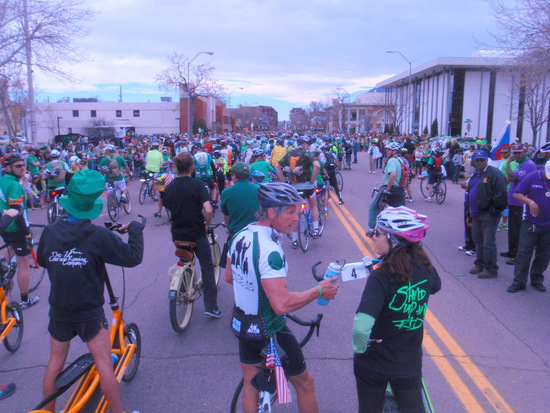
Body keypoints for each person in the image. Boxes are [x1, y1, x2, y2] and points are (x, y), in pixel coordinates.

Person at [224, 182, 339, 413]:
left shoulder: (240, 235)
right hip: (270, 329)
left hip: (244, 324)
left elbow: (229, 276)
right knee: (305, 383)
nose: (297, 218)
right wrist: (319, 291)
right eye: (290, 212)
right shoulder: (270, 250)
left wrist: (254, 289)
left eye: (297, 211)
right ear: (271, 212)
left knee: (250, 383)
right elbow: (281, 305)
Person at [36, 170, 144, 413]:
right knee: (104, 364)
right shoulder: (98, 235)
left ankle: (47, 410)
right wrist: (136, 230)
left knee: (54, 364)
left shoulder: (51, 230)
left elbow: (43, 260)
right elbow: (132, 257)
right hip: (89, 311)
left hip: (60, 309)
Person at [354, 206, 440, 413]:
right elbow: (436, 286)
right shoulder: (425, 267)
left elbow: (361, 328)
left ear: (393, 239)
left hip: (375, 362)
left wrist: (360, 349)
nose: (373, 236)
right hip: (408, 359)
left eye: (378, 233)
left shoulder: (381, 277)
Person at [162, 152, 221, 318]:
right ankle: (211, 306)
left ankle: (183, 289)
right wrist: (207, 224)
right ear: (192, 167)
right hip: (196, 232)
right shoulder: (198, 185)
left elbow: (167, 205)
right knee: (208, 267)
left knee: (184, 259)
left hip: (178, 233)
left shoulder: (171, 186)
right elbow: (208, 209)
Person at [0, 154, 38, 309]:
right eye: (18, 166)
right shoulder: (15, 186)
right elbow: (17, 213)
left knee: (9, 249)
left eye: (23, 165)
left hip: (4, 225)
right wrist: (27, 234)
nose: (23, 168)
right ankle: (24, 300)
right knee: (23, 262)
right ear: (8, 168)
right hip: (16, 227)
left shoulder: (3, 181)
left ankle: (4, 272)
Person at [506, 160, 550, 293]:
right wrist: (530, 202)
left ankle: (537, 279)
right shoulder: (533, 176)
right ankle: (519, 281)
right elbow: (517, 193)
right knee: (524, 252)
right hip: (530, 222)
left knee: (544, 254)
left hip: (548, 225)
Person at [463, 150, 507, 279]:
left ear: (487, 160)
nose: (480, 162)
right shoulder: (476, 174)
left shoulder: (495, 174)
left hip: (489, 214)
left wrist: (493, 210)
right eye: (477, 160)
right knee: (477, 240)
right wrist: (469, 215)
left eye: (482, 160)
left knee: (488, 242)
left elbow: (501, 195)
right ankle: (480, 263)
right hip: (476, 213)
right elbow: (470, 193)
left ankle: (491, 269)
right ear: (474, 162)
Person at [276, 137, 322, 247]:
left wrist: (283, 181)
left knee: (295, 213)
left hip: (293, 188)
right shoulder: (308, 154)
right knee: (313, 205)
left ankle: (295, 240)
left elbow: (277, 166)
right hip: (307, 186)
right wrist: (312, 180)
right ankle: (315, 230)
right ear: (305, 144)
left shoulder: (290, 153)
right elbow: (317, 166)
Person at [501, 143, 536, 266]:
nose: (516, 155)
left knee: (517, 230)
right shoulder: (521, 164)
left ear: (525, 152)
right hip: (514, 202)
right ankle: (512, 251)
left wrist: (508, 164)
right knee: (512, 228)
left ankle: (516, 255)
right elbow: (511, 178)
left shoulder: (529, 165)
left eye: (519, 153)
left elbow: (513, 177)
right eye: (514, 153)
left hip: (520, 203)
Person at [382, 142, 406, 207]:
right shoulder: (401, 160)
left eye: (389, 149)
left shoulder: (392, 160)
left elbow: (393, 175)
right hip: (400, 189)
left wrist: (388, 189)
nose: (387, 151)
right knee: (399, 210)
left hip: (392, 188)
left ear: (394, 151)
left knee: (372, 207)